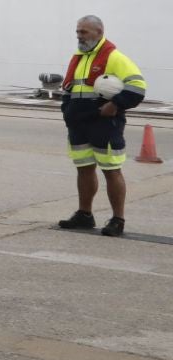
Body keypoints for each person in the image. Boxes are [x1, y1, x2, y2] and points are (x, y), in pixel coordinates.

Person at [57, 15, 148, 237]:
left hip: (104, 124)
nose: (79, 36)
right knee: (84, 168)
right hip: (79, 124)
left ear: (99, 32)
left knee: (111, 169)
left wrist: (115, 105)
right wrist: (67, 109)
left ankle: (118, 219)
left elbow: (138, 86)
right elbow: (70, 88)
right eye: (78, 31)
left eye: (84, 32)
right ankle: (85, 214)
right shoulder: (78, 57)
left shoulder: (115, 57)